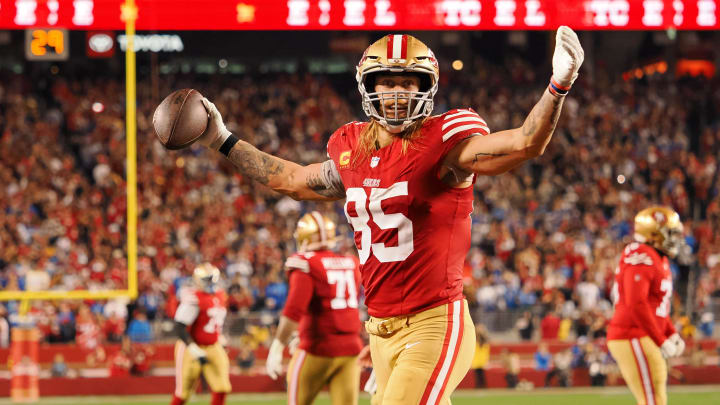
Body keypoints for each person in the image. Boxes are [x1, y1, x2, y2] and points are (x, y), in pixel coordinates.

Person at [174, 28, 584, 404]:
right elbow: (292, 179)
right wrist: (221, 139)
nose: (397, 92)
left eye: (409, 82)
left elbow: (525, 143)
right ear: (368, 86)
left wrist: (557, 86)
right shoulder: (352, 147)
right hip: (379, 331)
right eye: (386, 81)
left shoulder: (446, 142)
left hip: (434, 323)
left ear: (427, 87)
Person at [265, 211, 363, 405]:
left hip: (317, 348)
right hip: (351, 350)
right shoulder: (351, 262)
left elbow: (294, 310)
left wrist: (277, 347)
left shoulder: (306, 263)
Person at [607, 206, 687, 405]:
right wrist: (661, 340)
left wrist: (670, 332)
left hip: (642, 333)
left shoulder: (657, 257)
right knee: (652, 399)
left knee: (654, 397)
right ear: (653, 234)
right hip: (632, 333)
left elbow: (656, 306)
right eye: (670, 233)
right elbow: (637, 304)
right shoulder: (641, 255)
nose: (675, 239)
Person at [170, 263, 230, 405]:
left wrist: (219, 337)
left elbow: (212, 321)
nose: (210, 283)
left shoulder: (220, 296)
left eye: (212, 279)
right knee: (183, 392)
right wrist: (193, 348)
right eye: (206, 279)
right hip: (190, 346)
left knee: (222, 387)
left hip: (213, 345)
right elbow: (179, 327)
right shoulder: (194, 298)